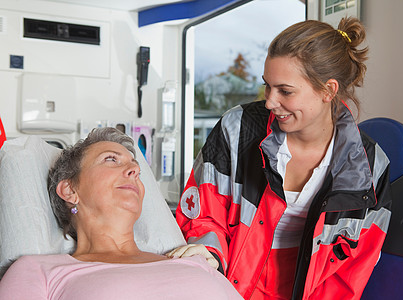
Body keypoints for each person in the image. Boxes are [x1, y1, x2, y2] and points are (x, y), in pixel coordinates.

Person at [169, 17, 392, 300]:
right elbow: (204, 212)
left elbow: (351, 271)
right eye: (267, 86)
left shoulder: (369, 167)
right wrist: (208, 250)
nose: (270, 102)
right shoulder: (237, 129)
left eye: (285, 91)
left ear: (328, 90)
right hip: (225, 284)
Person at [0, 127, 243, 300]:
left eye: (135, 169)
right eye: (111, 160)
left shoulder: (195, 263)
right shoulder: (38, 271)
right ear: (70, 189)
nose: (133, 170)